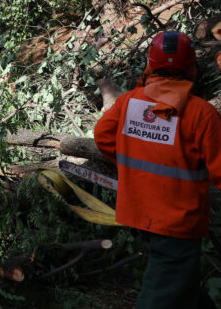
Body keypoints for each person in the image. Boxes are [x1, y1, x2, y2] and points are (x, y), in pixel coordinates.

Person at [94, 31, 221, 309]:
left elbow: (102, 136)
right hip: (179, 220)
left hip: (141, 210)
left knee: (182, 287)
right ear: (192, 67)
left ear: (149, 65)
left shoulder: (129, 102)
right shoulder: (201, 114)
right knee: (161, 296)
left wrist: (134, 163)